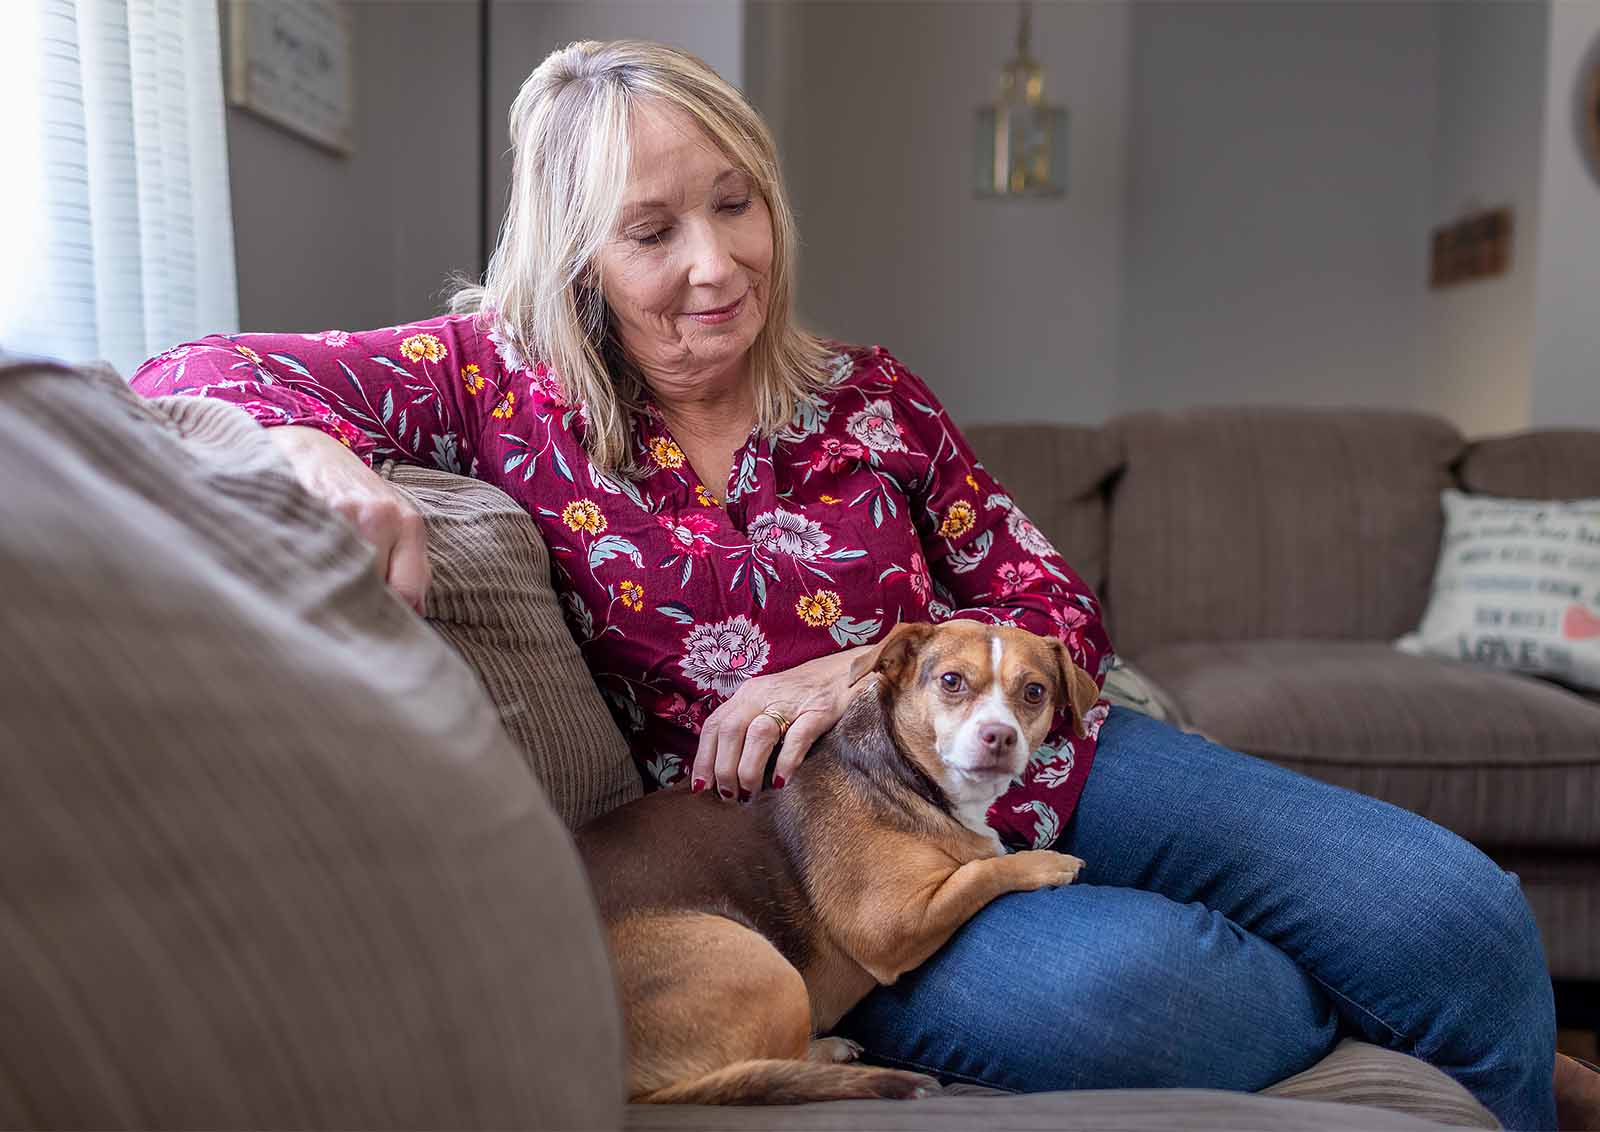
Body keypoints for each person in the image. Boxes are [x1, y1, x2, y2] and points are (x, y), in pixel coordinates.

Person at [132, 39, 1585, 1131]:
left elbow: (1050, 599)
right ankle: (1452, 1034)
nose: (718, 264)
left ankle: (1470, 1028)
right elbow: (188, 368)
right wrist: (309, 455)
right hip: (828, 863)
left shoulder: (867, 399)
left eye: (736, 203)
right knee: (1165, 997)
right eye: (652, 230)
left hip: (1068, 758)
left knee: (1455, 909)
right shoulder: (490, 387)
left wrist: (858, 667)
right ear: (576, 254)